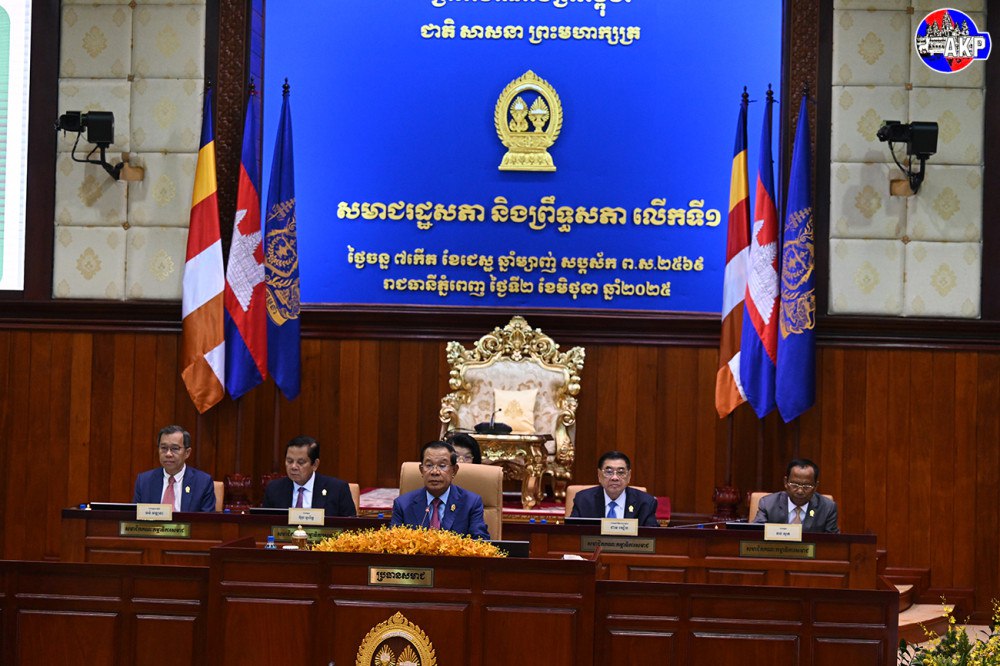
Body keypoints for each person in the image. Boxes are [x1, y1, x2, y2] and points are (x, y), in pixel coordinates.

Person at [391, 440, 490, 539]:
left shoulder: (471, 503)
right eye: (429, 465)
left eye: (442, 466)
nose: (435, 472)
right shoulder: (402, 504)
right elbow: (393, 543)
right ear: (421, 470)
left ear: (454, 471)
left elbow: (480, 541)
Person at [263, 436, 357, 517]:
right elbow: (265, 526)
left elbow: (350, 527)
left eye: (301, 462)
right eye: (289, 461)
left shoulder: (337, 489)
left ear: (315, 464)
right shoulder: (274, 489)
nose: (293, 467)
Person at [133, 425, 217, 512]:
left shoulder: (203, 482)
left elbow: (207, 519)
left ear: (187, 453)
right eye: (164, 448)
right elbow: (135, 516)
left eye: (175, 448)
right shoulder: (144, 481)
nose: (168, 454)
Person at [570, 451, 659, 527]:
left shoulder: (645, 503)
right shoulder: (583, 500)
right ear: (599, 475)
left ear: (629, 476)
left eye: (621, 472)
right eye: (609, 472)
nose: (614, 477)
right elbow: (572, 534)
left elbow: (653, 538)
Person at [752, 458, 839, 533]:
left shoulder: (827, 508)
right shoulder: (768, 504)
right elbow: (756, 535)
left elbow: (832, 542)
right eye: (794, 485)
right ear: (785, 482)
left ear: (815, 486)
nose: (800, 491)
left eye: (806, 486)